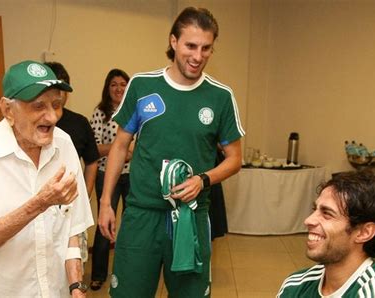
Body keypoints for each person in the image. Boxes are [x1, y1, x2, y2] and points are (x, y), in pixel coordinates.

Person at [98, 7, 245, 297]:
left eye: (206, 48)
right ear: (173, 42)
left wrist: (203, 180)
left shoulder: (221, 97)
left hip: (191, 216)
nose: (198, 56)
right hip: (142, 214)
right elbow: (119, 146)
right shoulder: (142, 85)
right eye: (191, 45)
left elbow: (235, 159)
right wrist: (105, 204)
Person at [0, 60, 94, 297]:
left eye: (56, 105)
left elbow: (72, 230)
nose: (52, 117)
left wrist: (76, 286)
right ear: (8, 110)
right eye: (38, 106)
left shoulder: (65, 144)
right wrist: (40, 202)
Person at [277, 171, 375, 297]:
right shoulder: (295, 287)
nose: (308, 220)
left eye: (327, 214)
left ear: (364, 232)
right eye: (315, 209)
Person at [45, 61, 100, 264]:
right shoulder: (32, 123)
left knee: (74, 261)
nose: (58, 95)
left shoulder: (79, 122)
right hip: (41, 207)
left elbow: (92, 161)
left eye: (62, 89)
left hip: (70, 207)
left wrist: (85, 193)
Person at [89, 68, 132, 290]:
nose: (119, 88)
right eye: (114, 84)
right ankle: (98, 274)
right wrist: (120, 149)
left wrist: (124, 149)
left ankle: (127, 271)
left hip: (133, 175)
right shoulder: (100, 112)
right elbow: (94, 148)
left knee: (133, 225)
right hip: (107, 175)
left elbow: (141, 145)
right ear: (108, 88)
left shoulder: (135, 110)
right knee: (105, 225)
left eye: (123, 84)